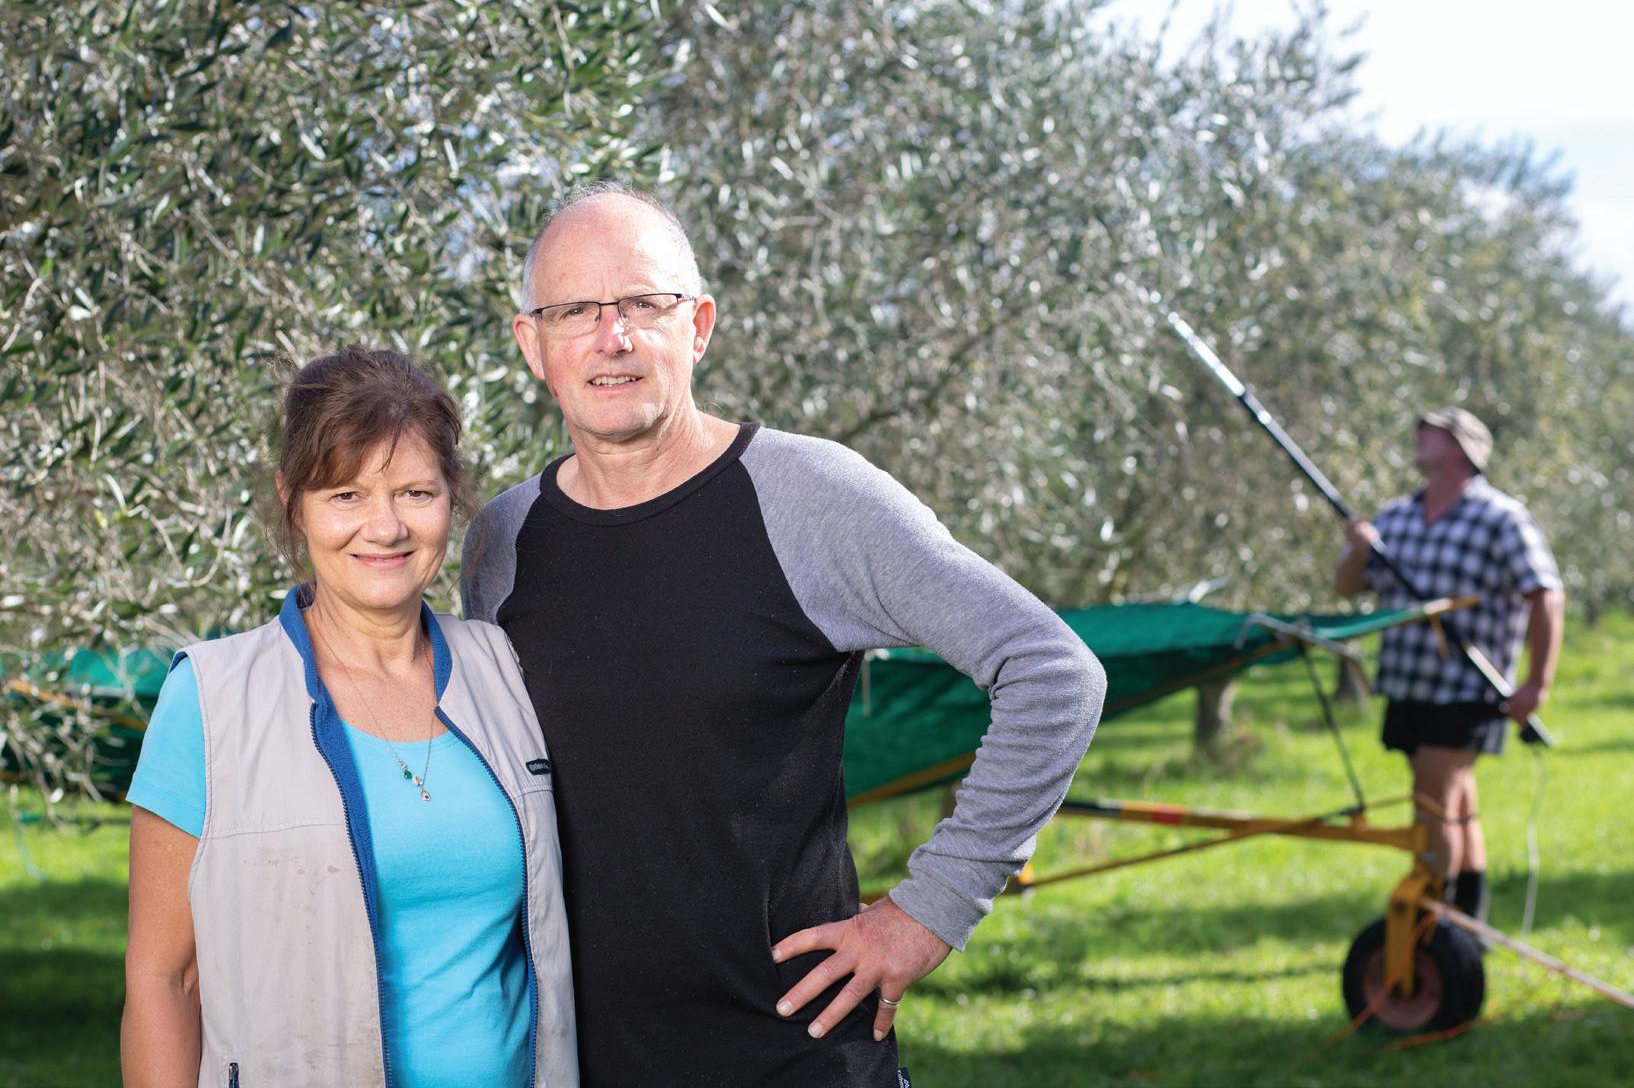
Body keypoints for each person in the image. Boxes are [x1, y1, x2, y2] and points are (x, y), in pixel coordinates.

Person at [461, 182, 1106, 1087]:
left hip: (798, 1061)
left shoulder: (807, 499)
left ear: (699, 326)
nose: (614, 338)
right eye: (576, 311)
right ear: (532, 344)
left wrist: (930, 911)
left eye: (644, 303)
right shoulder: (504, 542)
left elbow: (1052, 672)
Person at [122, 348, 576, 1088]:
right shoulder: (208, 698)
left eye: (416, 493)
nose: (385, 527)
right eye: (346, 495)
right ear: (292, 503)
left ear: (451, 498)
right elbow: (163, 981)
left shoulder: (504, 668)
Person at [1334, 407, 1564, 923]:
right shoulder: (1396, 516)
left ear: (1461, 447)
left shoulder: (1501, 518)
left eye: (1432, 431)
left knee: (1432, 800)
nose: (1418, 435)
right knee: (1454, 804)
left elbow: (1546, 595)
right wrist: (1357, 550)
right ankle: (1466, 925)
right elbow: (1347, 588)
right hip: (1408, 685)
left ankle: (1431, 923)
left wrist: (1537, 684)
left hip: (1469, 689)